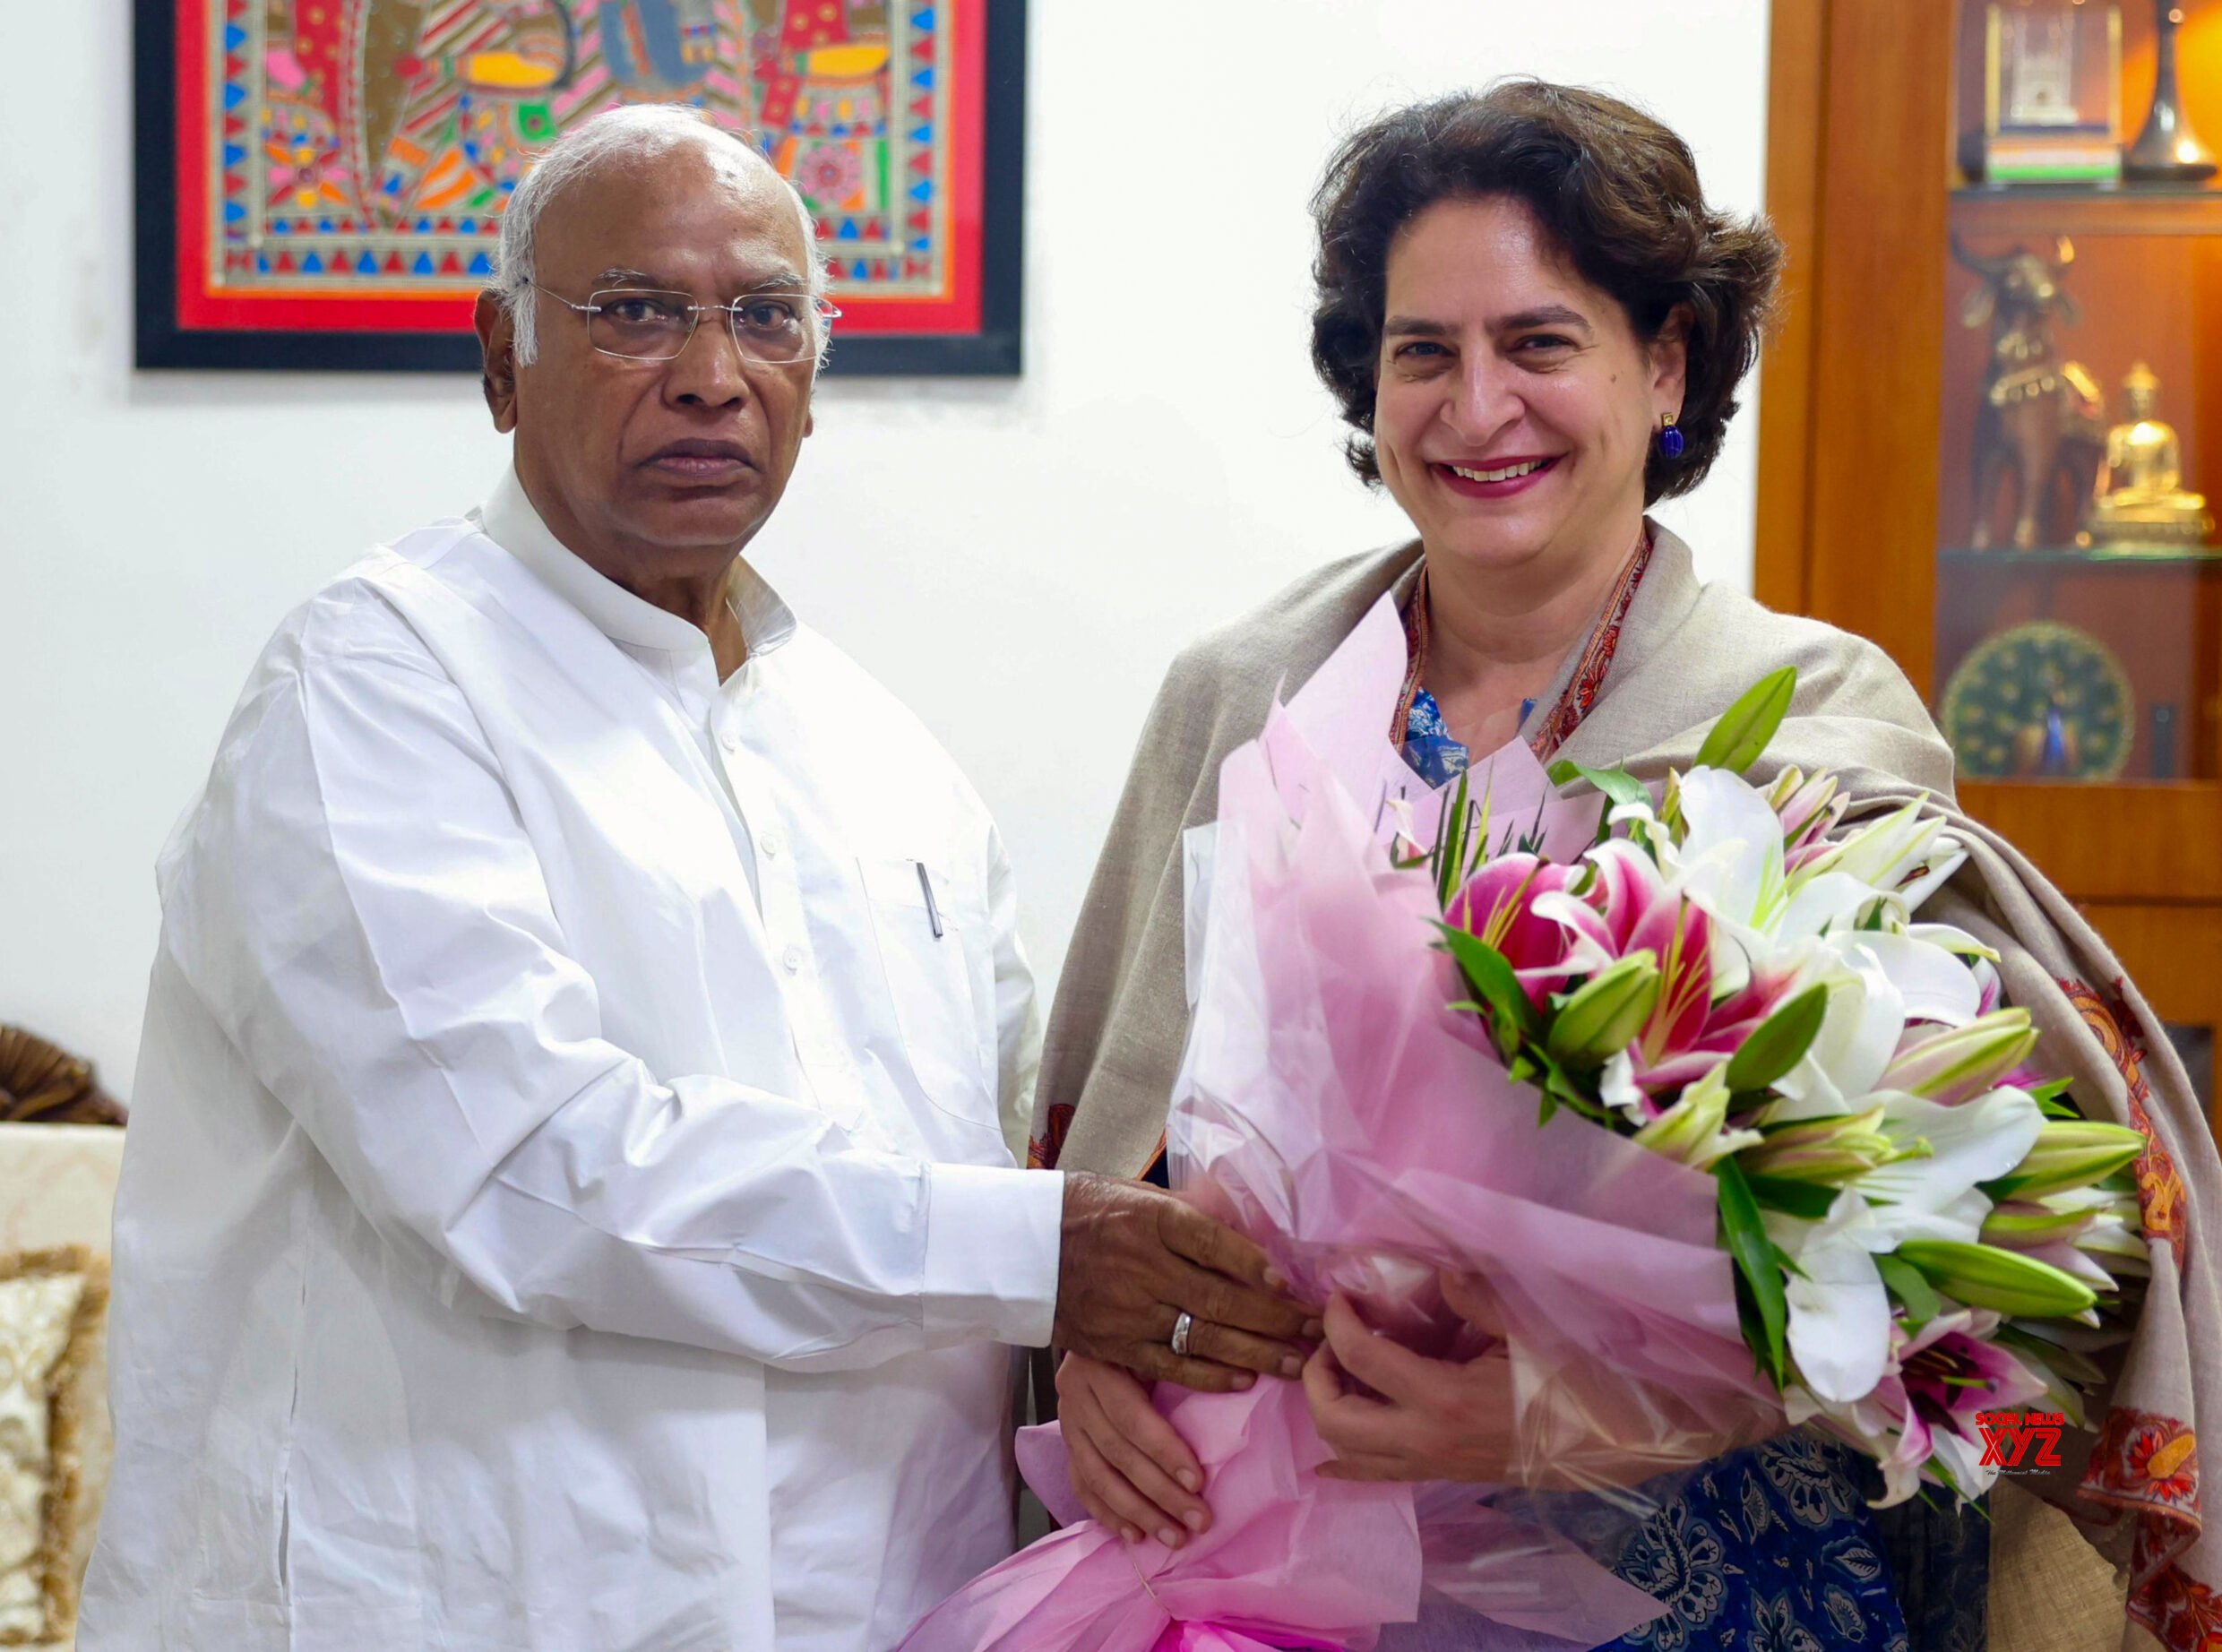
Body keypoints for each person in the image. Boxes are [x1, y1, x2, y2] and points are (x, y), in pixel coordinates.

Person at [1029, 82, 2222, 1651]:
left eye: (1539, 343)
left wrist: (1576, 1412)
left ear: (1666, 361)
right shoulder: (1239, 695)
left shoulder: (1815, 723)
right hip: (1258, 1547)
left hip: (1695, 1573)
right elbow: (1095, 1151)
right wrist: (1090, 1344)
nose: (1477, 410)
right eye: (1424, 352)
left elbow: (1971, 1259)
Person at [78, 106, 1309, 1652]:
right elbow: (522, 1167)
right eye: (636, 312)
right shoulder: (378, 682)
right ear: (499, 357)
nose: (712, 373)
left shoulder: (887, 762)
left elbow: (998, 1158)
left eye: (766, 317)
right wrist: (1041, 1256)